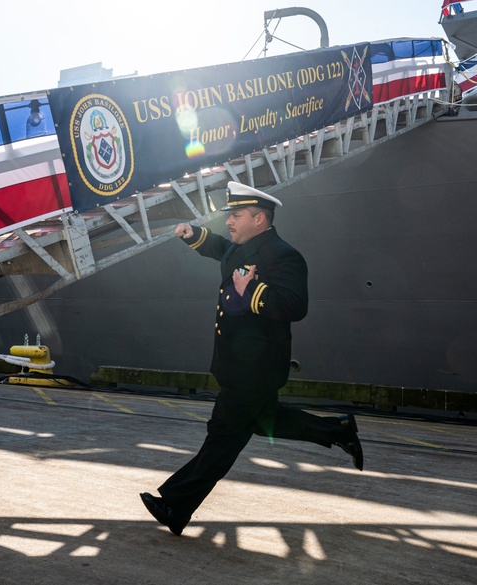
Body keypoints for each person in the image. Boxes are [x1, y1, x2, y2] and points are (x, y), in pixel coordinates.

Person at [140, 181, 364, 536]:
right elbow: (223, 250)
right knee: (263, 422)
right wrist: (194, 235)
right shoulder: (243, 247)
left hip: (254, 369)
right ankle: (337, 430)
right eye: (230, 214)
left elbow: (294, 306)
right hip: (236, 363)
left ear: (259, 218)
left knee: (222, 437)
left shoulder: (283, 255)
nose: (229, 221)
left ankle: (175, 506)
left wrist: (253, 291)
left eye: (237, 215)